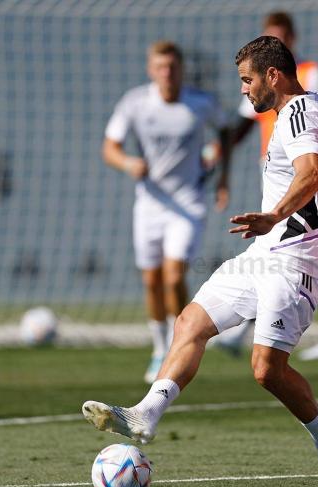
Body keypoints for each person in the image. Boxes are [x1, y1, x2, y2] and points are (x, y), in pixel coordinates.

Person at [82, 36, 318, 487]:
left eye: (247, 79)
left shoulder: (299, 115)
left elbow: (309, 173)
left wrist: (276, 214)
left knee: (267, 370)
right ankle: (146, 415)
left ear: (272, 76)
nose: (243, 90)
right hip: (264, 254)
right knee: (191, 322)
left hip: (296, 260)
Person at [215, 11, 318, 360]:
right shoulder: (259, 80)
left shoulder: (308, 74)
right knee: (277, 252)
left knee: (300, 248)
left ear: (290, 40)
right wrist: (215, 155)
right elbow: (244, 125)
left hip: (302, 167)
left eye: (279, 37)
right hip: (274, 166)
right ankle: (251, 327)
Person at [103, 41, 232, 384]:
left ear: (181, 70)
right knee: (151, 279)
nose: (167, 73)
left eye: (173, 67)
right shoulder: (135, 102)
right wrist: (128, 162)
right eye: (160, 67)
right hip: (150, 204)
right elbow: (110, 147)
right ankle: (160, 347)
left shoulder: (200, 104)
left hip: (188, 203)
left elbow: (227, 131)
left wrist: (222, 174)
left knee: (174, 277)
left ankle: (182, 342)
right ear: (151, 70)